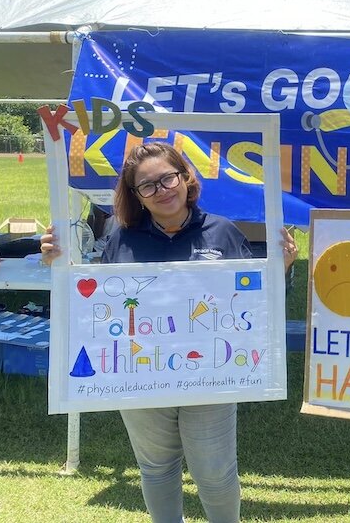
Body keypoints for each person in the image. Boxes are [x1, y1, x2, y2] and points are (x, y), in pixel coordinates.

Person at [41, 142, 298, 523]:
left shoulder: (223, 232)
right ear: (136, 197)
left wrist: (283, 267)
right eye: (148, 185)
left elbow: (257, 304)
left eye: (168, 178)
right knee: (157, 468)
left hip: (213, 375)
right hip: (141, 378)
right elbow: (96, 308)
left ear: (186, 178)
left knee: (214, 473)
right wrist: (59, 265)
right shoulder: (121, 241)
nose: (161, 190)